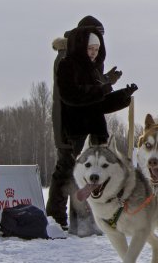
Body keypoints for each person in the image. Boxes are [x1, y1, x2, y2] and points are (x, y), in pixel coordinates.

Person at [46, 16, 137, 234]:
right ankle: (60, 219)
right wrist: (104, 85)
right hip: (69, 124)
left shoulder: (89, 59)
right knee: (69, 170)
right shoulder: (67, 59)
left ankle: (65, 220)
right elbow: (74, 94)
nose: (97, 48)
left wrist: (111, 86)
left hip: (85, 123)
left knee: (72, 171)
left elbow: (94, 93)